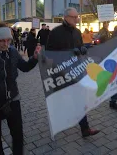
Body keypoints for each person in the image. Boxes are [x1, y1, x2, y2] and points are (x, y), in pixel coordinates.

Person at [0, 23, 41, 155]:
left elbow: (25, 67)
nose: (5, 44)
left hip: (13, 100)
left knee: (18, 135)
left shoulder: (13, 51)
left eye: (8, 40)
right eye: (1, 41)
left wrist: (34, 58)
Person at [47, 7, 100, 137]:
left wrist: (82, 49)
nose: (77, 19)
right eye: (74, 17)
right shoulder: (55, 32)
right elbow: (49, 53)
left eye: (77, 17)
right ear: (66, 17)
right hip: (60, 74)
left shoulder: (77, 31)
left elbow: (80, 45)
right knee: (59, 101)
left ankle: (85, 129)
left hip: (76, 71)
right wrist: (68, 53)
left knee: (80, 100)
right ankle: (56, 124)